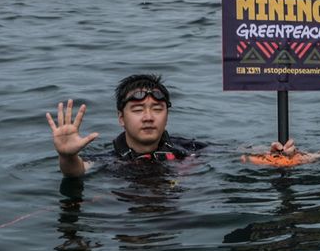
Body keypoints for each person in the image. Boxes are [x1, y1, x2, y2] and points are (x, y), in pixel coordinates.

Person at [48, 73, 206, 177]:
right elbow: (77, 170)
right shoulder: (110, 161)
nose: (148, 117)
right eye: (138, 110)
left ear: (167, 116)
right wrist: (67, 157)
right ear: (121, 118)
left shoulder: (191, 150)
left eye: (157, 109)